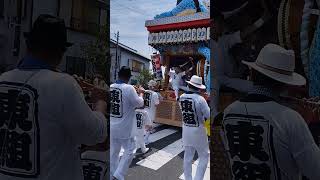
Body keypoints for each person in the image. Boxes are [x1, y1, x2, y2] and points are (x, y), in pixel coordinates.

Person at [0, 14, 107, 180]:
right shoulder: (63, 84)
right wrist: (99, 103)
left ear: (28, 45)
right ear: (60, 52)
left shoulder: (3, 79)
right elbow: (93, 135)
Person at [221, 44, 320, 180]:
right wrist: (309, 125)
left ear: (252, 73)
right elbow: (315, 171)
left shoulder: (228, 112)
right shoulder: (290, 118)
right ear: (285, 84)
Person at [211, 6, 271, 113]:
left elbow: (243, 34)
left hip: (226, 78)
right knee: (213, 87)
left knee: (253, 87)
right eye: (220, 23)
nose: (223, 26)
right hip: (212, 80)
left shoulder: (224, 40)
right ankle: (214, 117)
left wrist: (261, 20)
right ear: (212, 24)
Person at [110, 66, 144, 180]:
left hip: (112, 126)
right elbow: (139, 103)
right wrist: (141, 93)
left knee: (114, 152)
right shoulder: (129, 88)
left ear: (118, 75)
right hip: (124, 128)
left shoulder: (111, 87)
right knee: (130, 149)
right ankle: (118, 175)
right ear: (128, 77)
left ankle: (112, 174)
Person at [179, 75, 210, 180]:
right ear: (199, 88)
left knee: (187, 157)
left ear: (189, 85)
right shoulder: (200, 99)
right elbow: (208, 115)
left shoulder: (182, 97)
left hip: (186, 130)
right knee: (204, 155)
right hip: (199, 131)